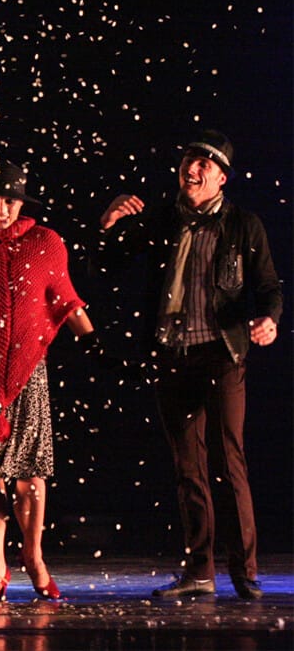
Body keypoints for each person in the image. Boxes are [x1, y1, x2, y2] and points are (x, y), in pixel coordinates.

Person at [95, 130, 281, 600]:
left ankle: (244, 570)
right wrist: (110, 224)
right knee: (187, 466)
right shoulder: (164, 218)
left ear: (221, 177)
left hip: (221, 353)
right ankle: (200, 571)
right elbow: (110, 263)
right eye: (188, 161)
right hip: (172, 354)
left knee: (228, 461)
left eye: (204, 164)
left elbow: (269, 287)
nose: (192, 170)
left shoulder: (243, 225)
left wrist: (270, 320)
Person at [0, 162, 103, 602]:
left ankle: (34, 558)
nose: (1, 209)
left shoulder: (45, 242)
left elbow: (65, 298)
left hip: (28, 371)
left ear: (21, 203)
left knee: (29, 474)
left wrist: (94, 344)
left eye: (9, 201)